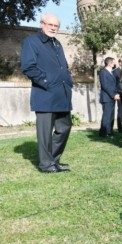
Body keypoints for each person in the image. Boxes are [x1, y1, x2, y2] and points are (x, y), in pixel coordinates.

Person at [20, 13, 73, 173]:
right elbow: (28, 67)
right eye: (50, 24)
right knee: (44, 133)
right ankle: (46, 164)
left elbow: (63, 67)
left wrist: (69, 80)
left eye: (56, 26)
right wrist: (46, 82)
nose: (53, 28)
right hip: (45, 94)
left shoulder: (57, 44)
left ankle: (53, 161)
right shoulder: (31, 42)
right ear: (42, 24)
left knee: (64, 127)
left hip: (62, 94)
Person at [99, 57, 120, 138]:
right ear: (109, 63)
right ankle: (103, 133)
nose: (114, 64)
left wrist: (117, 93)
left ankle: (109, 131)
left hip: (112, 97)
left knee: (111, 115)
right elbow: (105, 85)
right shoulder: (103, 72)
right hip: (107, 97)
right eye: (113, 62)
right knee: (106, 116)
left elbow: (114, 85)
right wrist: (113, 95)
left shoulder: (111, 72)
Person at [112, 59, 122, 132]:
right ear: (119, 63)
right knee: (120, 110)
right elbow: (114, 83)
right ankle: (120, 128)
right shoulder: (115, 71)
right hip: (119, 93)